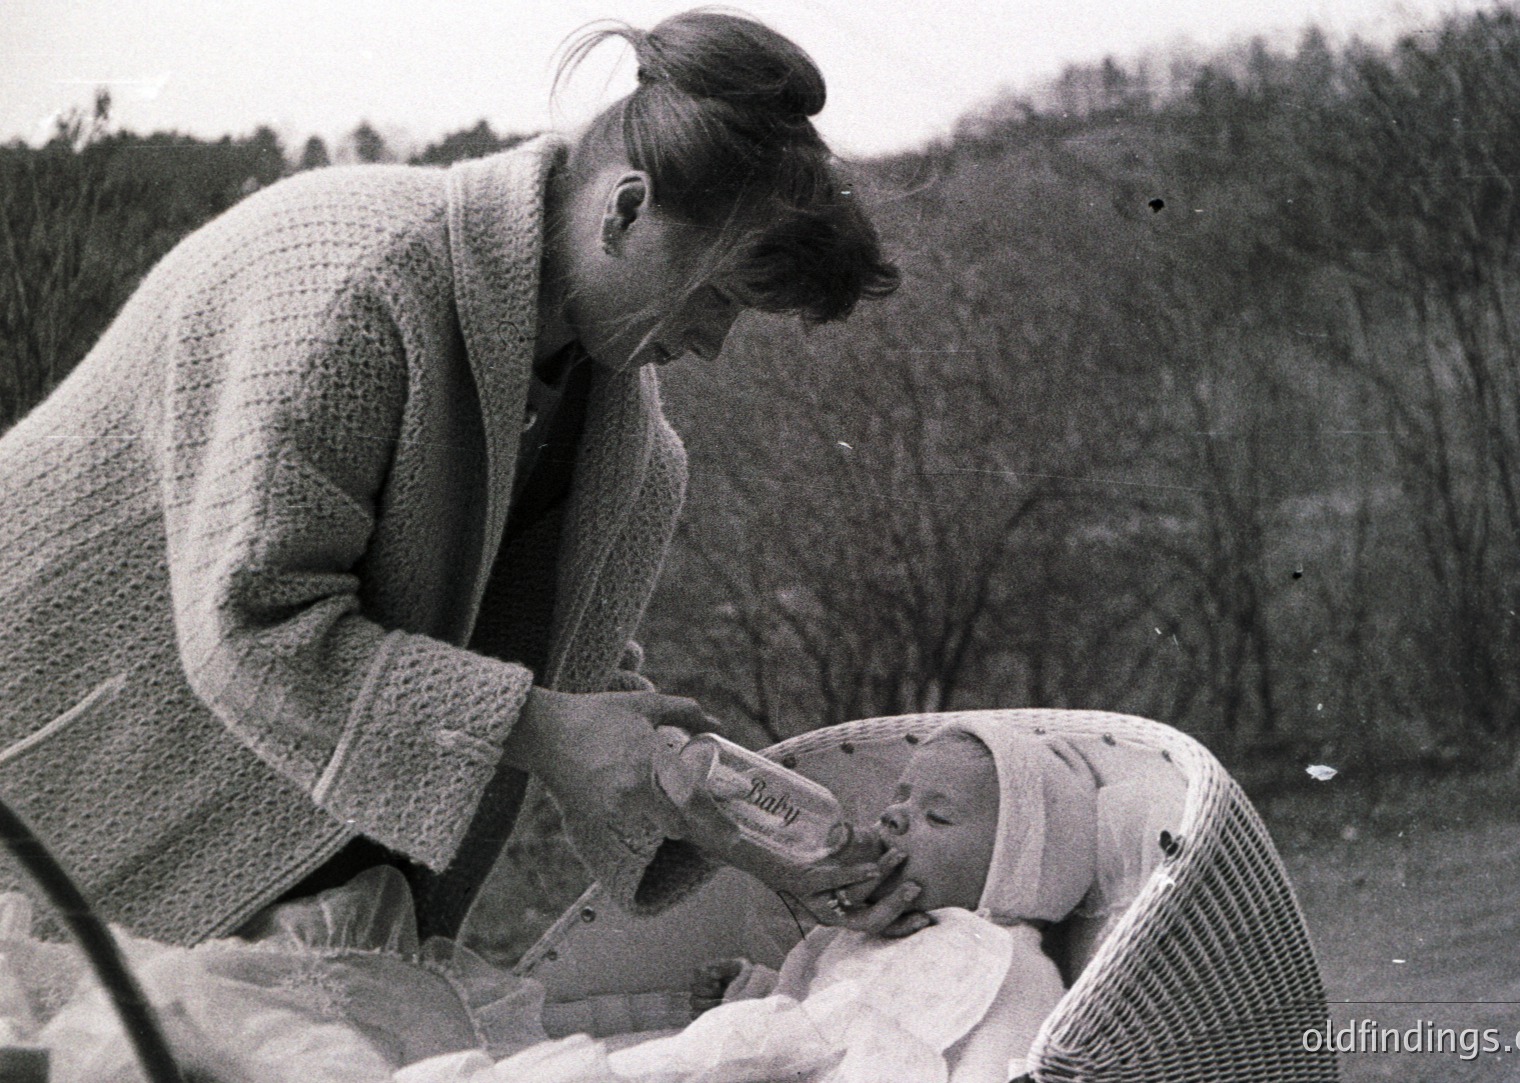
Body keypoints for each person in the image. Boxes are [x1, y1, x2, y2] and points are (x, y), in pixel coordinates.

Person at [0, 10, 906, 950]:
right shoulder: (353, 285)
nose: (714, 346)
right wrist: (547, 729)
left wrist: (741, 825)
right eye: (718, 295)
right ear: (625, 208)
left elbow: (570, 680)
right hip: (54, 771)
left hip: (270, 869)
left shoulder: (635, 456)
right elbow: (254, 628)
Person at [8, 717, 1101, 1083]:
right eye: (900, 800)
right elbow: (809, 1019)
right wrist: (765, 980)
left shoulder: (994, 958)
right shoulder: (891, 946)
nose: (898, 820)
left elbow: (895, 1054)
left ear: (1018, 876)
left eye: (941, 820)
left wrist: (776, 1020)